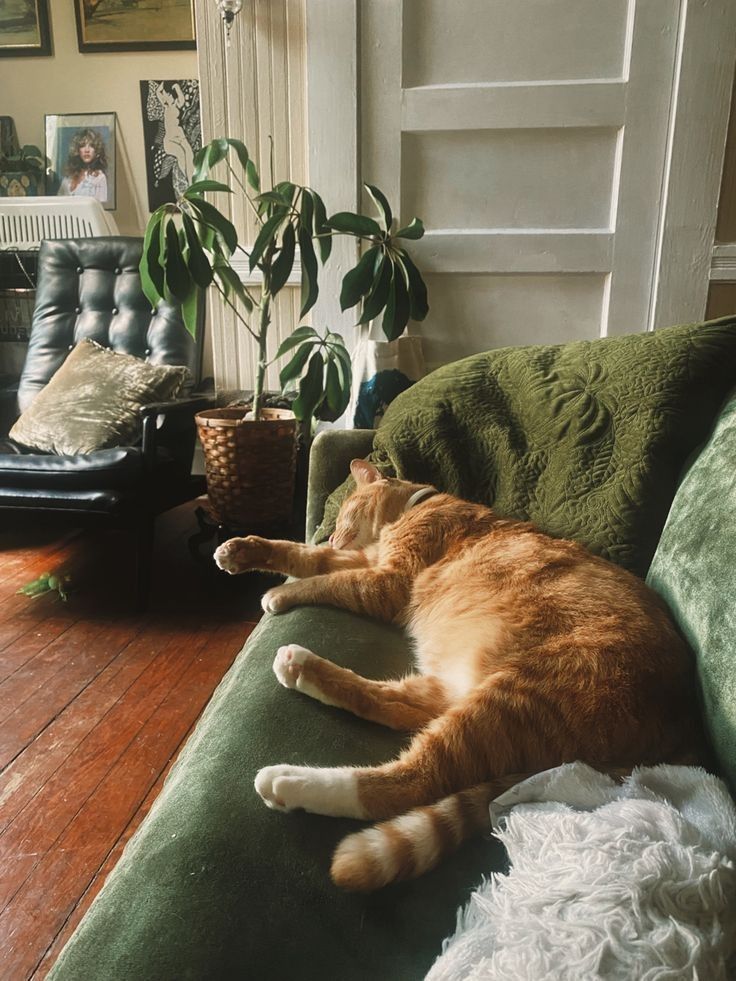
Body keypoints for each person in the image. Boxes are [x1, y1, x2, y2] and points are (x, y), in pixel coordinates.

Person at [59, 128, 108, 204]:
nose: (87, 150)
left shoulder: (99, 178)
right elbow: (59, 203)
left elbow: (100, 209)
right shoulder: (68, 177)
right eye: (83, 146)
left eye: (91, 146)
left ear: (97, 151)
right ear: (78, 150)